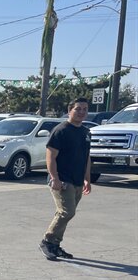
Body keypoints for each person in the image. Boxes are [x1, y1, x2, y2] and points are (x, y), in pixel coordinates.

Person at [39, 97, 92, 260]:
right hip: (62, 180)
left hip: (77, 180)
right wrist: (54, 178)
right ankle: (47, 242)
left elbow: (87, 157)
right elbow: (50, 157)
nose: (81, 112)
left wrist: (87, 179)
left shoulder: (85, 132)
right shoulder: (61, 130)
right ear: (70, 111)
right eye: (78, 109)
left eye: (84, 109)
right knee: (66, 212)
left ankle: (55, 245)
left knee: (66, 213)